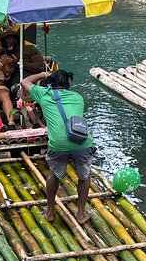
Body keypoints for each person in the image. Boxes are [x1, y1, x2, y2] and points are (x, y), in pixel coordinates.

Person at [21, 70, 95, 224]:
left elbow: (25, 82)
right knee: (84, 176)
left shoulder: (44, 94)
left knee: (54, 175)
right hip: (82, 142)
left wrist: (42, 74)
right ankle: (81, 214)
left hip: (58, 145)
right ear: (67, 84)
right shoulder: (78, 98)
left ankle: (49, 212)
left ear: (50, 83)